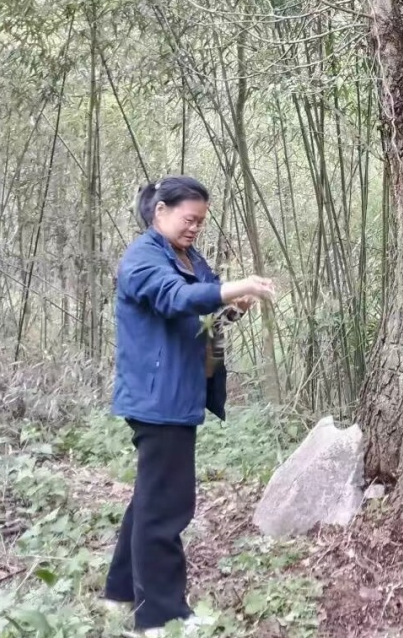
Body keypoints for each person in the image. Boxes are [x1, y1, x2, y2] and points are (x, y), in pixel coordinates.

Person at [102, 176, 275, 636]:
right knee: (167, 506)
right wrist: (229, 287)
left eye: (200, 221)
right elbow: (176, 298)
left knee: (151, 499)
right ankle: (159, 616)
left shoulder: (189, 257)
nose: (194, 227)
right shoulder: (143, 258)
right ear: (161, 211)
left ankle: (121, 592)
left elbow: (207, 312)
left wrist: (233, 306)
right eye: (188, 218)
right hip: (157, 397)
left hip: (180, 393)